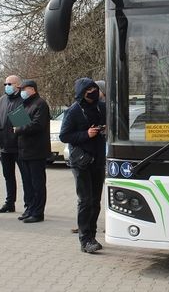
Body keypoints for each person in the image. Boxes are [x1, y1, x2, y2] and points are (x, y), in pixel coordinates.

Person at [60, 78, 106, 253]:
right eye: (88, 90)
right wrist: (86, 134)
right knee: (85, 201)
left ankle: (92, 236)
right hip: (81, 162)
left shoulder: (101, 107)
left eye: (94, 88)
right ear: (81, 92)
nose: (93, 92)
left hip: (98, 160)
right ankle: (85, 239)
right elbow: (65, 136)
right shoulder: (73, 111)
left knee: (95, 201)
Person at [13, 79, 51, 223]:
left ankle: (38, 212)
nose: (21, 92)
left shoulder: (40, 104)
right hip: (24, 150)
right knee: (28, 183)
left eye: (23, 89)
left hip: (36, 150)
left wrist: (19, 129)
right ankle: (30, 208)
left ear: (32, 89)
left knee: (37, 183)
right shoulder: (25, 104)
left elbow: (37, 125)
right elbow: (19, 122)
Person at [0, 75, 25, 214]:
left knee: (26, 176)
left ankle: (29, 205)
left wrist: (16, 130)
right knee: (8, 176)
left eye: (9, 84)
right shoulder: (2, 100)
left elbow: (22, 123)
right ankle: (9, 203)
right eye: (5, 84)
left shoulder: (22, 100)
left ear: (18, 85)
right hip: (4, 145)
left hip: (19, 146)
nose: (6, 86)